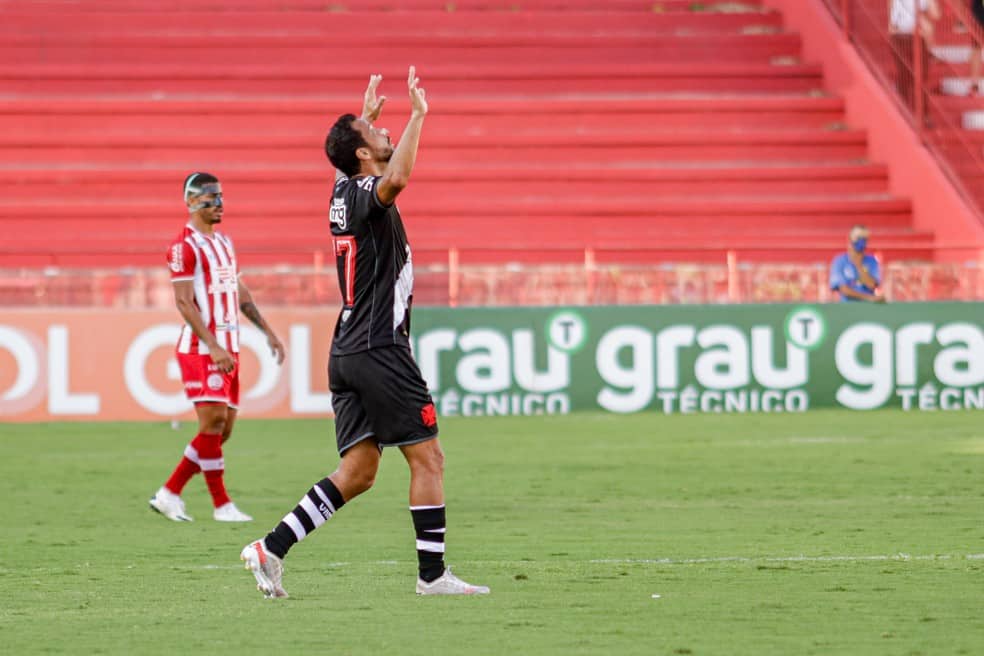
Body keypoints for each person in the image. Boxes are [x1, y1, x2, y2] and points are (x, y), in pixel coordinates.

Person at [240, 68, 489, 597]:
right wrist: (420, 116)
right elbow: (395, 180)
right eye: (376, 134)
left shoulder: (341, 191)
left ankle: (270, 548)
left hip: (348, 348)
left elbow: (358, 169)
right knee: (429, 458)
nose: (386, 133)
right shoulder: (364, 193)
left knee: (358, 471)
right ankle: (432, 577)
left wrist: (365, 120)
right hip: (379, 347)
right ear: (361, 157)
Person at [149, 172, 285, 522]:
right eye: (211, 198)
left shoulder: (224, 242)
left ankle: (170, 493)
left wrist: (268, 331)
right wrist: (212, 346)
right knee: (212, 424)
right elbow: (183, 302)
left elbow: (240, 293)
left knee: (222, 431)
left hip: (230, 346)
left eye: (221, 196)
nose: (219, 204)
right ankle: (221, 505)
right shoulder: (184, 247)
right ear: (192, 202)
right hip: (201, 348)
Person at [889, 0, 941, 114]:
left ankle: (922, 114)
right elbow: (892, 25)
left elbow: (936, 15)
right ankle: (903, 110)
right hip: (901, 38)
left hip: (919, 39)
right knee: (904, 76)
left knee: (921, 77)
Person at [830, 225, 886, 302]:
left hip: (867, 307)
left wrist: (859, 265)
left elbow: (872, 285)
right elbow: (844, 290)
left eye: (864, 239)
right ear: (850, 239)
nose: (861, 241)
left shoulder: (872, 261)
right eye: (858, 238)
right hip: (847, 307)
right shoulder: (839, 261)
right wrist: (869, 298)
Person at [968, 0, 984, 95]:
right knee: (976, 47)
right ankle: (974, 84)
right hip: (979, 9)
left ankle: (974, 84)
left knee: (976, 47)